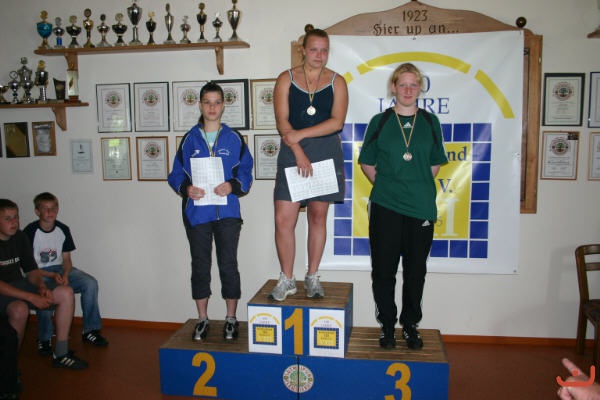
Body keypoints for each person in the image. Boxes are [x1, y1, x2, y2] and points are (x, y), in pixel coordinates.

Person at [358, 63, 448, 350]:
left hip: (420, 208)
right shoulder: (380, 121)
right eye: (403, 84)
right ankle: (387, 325)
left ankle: (410, 325)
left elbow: (434, 164)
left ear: (420, 88)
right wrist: (388, 186)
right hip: (385, 205)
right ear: (393, 87)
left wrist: (414, 185)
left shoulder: (431, 122)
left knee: (415, 272)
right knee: (383, 270)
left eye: (413, 84)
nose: (408, 90)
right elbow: (366, 162)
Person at [168, 81, 254, 342]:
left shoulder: (234, 138)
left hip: (227, 214)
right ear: (200, 105)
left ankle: (231, 318)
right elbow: (175, 174)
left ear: (223, 105)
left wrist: (232, 186)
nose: (212, 107)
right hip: (197, 214)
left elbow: (246, 173)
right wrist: (186, 188)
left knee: (228, 264)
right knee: (200, 266)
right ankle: (202, 318)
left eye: (217, 102)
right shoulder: (189, 139)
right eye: (207, 102)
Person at [269, 27, 349, 301]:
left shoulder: (337, 82)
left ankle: (312, 276)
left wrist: (300, 135)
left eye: (324, 50)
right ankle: (286, 278)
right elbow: (282, 122)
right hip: (293, 151)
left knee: (317, 216)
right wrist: (297, 149)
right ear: (303, 50)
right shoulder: (285, 79)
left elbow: (337, 122)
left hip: (325, 151)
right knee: (283, 219)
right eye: (314, 49)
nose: (319, 55)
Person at [0, 199, 87, 370]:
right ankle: (9, 368)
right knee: (20, 309)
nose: (14, 222)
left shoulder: (20, 237)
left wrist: (41, 287)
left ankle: (61, 354)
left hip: (19, 285)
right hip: (4, 291)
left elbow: (31, 270)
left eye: (16, 217)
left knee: (65, 292)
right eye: (8, 218)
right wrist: (30, 297)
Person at [23, 192, 108, 357]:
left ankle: (90, 330)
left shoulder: (62, 229)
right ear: (37, 211)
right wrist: (51, 275)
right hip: (38, 272)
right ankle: (44, 338)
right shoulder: (30, 232)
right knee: (47, 292)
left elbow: (67, 259)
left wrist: (66, 274)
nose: (50, 212)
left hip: (60, 269)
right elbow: (29, 267)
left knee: (90, 283)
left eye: (53, 208)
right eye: (45, 209)